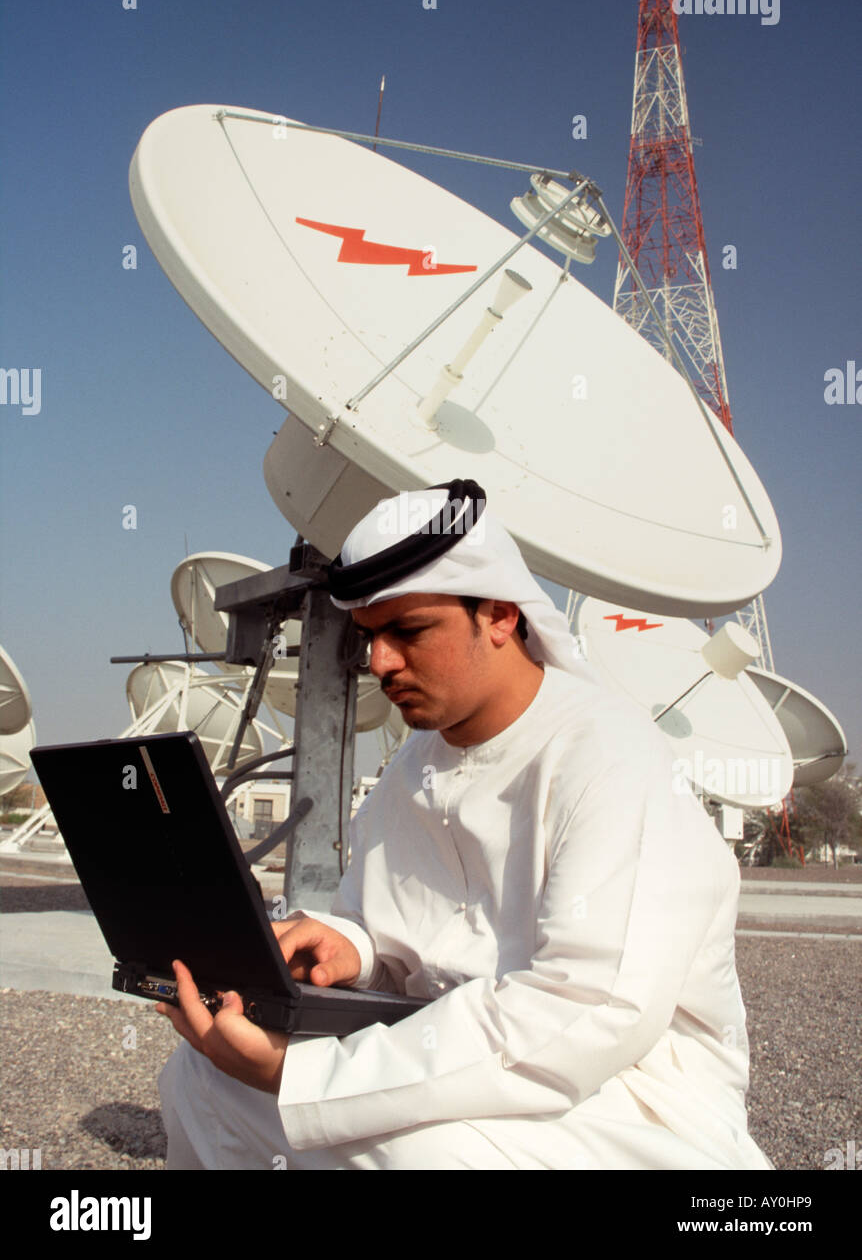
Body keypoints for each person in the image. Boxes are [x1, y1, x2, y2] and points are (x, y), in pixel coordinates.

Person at [158, 479, 772, 1170]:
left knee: (411, 1153)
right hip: (456, 1058)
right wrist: (351, 947)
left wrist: (299, 1075)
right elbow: (407, 938)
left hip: (629, 1099)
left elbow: (587, 1013)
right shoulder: (410, 769)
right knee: (203, 1078)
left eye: (408, 631)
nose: (380, 663)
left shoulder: (610, 756)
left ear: (501, 616)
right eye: (369, 637)